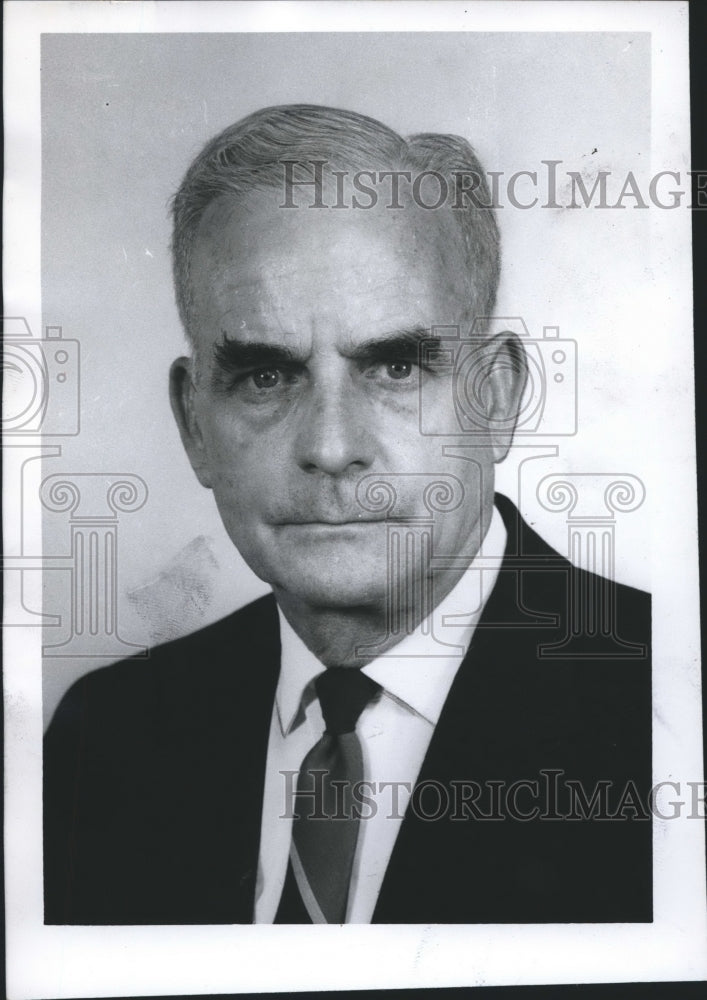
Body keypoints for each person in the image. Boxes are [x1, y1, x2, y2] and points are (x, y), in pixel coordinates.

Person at [43, 104, 651, 925]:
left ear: (497, 396)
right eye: (266, 377)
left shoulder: (667, 707)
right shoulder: (102, 739)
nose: (330, 447)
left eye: (395, 366)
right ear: (195, 425)